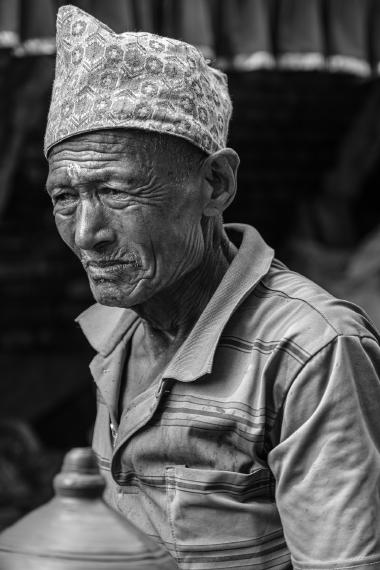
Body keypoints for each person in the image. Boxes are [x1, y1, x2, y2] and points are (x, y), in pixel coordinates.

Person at [44, 6, 380, 570]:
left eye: (118, 191)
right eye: (65, 197)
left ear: (216, 185)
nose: (87, 234)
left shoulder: (311, 350)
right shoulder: (121, 329)